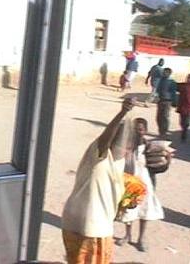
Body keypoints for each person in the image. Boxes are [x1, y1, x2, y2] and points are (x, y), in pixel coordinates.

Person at [62, 98, 135, 264]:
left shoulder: (120, 162)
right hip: (88, 225)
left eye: (127, 145)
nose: (125, 148)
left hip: (96, 224)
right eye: (121, 143)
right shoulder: (99, 155)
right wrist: (122, 113)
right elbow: (105, 138)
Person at [116, 118, 169, 252]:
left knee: (145, 211)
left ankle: (141, 238)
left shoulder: (150, 147)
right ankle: (127, 235)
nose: (138, 132)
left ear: (145, 130)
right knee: (129, 210)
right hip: (131, 184)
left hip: (146, 185)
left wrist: (167, 161)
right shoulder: (127, 146)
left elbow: (158, 168)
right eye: (135, 129)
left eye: (140, 129)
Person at [156, 68, 177, 139]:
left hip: (168, 101)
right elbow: (158, 89)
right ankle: (160, 131)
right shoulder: (161, 80)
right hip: (161, 100)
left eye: (166, 72)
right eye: (164, 72)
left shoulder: (172, 82)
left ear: (169, 73)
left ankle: (164, 132)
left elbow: (174, 93)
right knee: (158, 117)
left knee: (165, 117)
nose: (164, 74)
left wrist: (174, 101)